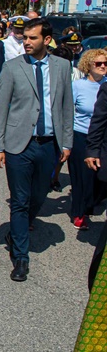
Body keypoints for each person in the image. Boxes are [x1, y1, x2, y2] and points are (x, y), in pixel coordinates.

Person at [0, 17, 74, 282]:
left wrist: (67, 142)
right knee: (19, 200)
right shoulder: (13, 67)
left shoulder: (62, 66)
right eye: (24, 38)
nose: (26, 42)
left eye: (32, 38)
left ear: (46, 40)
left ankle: (17, 232)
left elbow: (66, 106)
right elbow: (1, 108)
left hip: (49, 144)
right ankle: (21, 257)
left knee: (38, 197)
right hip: (19, 145)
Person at [69, 49, 107, 230]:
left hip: (101, 137)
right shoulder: (78, 86)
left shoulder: (106, 85)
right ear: (88, 65)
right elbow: (69, 112)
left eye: (105, 63)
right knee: (81, 177)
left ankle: (90, 203)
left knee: (98, 177)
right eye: (98, 63)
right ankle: (79, 212)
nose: (102, 67)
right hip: (80, 134)